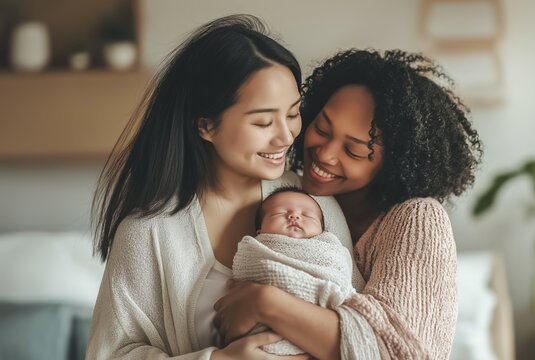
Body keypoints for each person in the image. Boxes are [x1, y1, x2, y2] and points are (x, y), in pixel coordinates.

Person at [86, 15, 367, 360]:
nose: (285, 135)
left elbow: (360, 326)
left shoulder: (310, 204)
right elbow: (110, 353)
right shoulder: (148, 233)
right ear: (206, 125)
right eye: (263, 121)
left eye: (293, 114)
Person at [213, 49, 482, 359]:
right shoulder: (286, 194)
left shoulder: (417, 219)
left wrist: (265, 304)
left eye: (353, 151)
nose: (325, 154)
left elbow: (399, 352)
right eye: (322, 129)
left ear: (395, 163)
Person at [227, 186, 356, 356]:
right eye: (278, 213)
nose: (294, 216)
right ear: (259, 231)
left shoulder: (330, 250)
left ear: (322, 231)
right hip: (263, 342)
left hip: (322, 333)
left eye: (307, 215)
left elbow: (343, 283)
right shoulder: (254, 250)